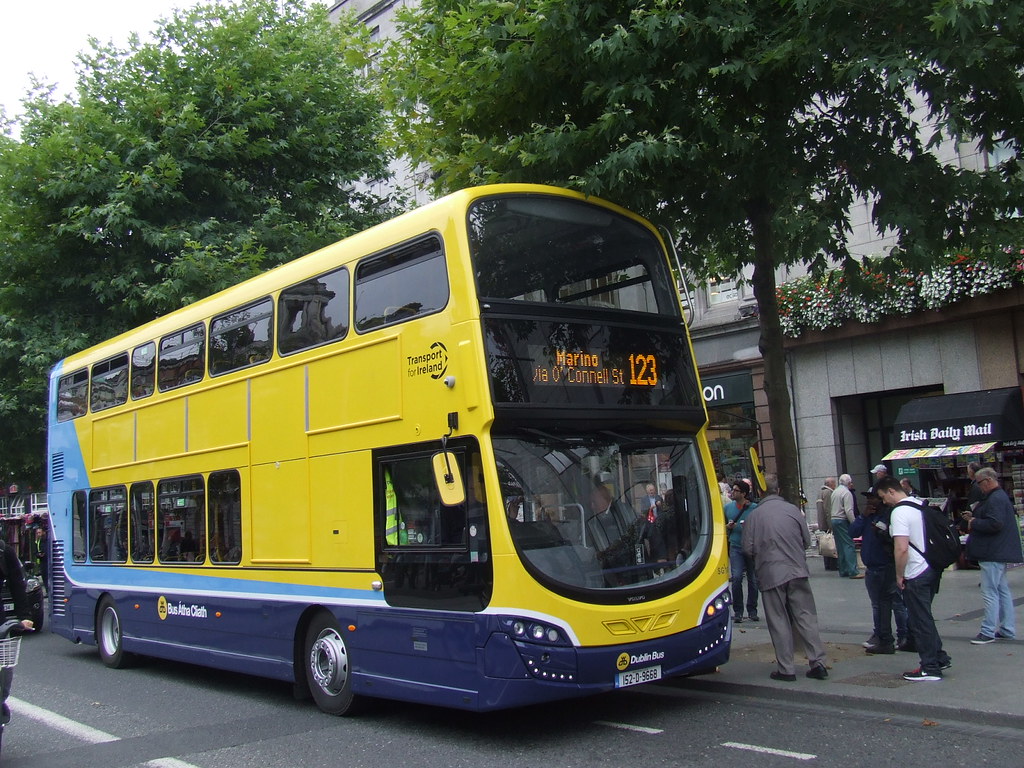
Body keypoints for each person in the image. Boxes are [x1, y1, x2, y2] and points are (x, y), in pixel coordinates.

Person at [741, 473, 828, 681]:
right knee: (806, 616)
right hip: (797, 570)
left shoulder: (754, 516)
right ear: (778, 490)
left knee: (778, 620)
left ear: (761, 492)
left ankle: (786, 668)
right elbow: (807, 541)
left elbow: (747, 548)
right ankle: (818, 662)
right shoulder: (793, 511)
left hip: (770, 572)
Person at [876, 476, 951, 681]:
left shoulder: (899, 512)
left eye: (883, 497)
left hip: (915, 571)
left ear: (892, 491)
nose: (884, 502)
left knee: (919, 620)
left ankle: (930, 667)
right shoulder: (919, 504)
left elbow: (901, 548)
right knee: (925, 615)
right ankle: (939, 656)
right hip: (931, 567)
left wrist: (899, 575)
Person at [965, 467, 1023, 644]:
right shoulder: (999, 497)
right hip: (998, 550)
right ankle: (1006, 628)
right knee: (1002, 590)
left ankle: (988, 631)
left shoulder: (995, 498)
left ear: (988, 480)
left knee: (990, 592)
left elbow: (995, 523)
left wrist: (974, 521)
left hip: (992, 551)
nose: (979, 487)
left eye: (979, 483)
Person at [851, 492, 911, 654]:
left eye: (873, 498)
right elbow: (853, 532)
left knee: (897, 603)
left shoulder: (890, 515)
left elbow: (894, 540)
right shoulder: (868, 517)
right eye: (868, 498)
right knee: (877, 604)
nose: (870, 501)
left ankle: (904, 635)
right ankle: (880, 634)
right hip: (872, 567)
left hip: (887, 565)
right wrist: (863, 517)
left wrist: (881, 529)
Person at [724, 480, 759, 623]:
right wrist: (728, 526)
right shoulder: (728, 508)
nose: (733, 492)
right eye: (733, 490)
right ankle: (738, 611)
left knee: (753, 579)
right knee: (737, 577)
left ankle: (752, 610)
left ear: (744, 493)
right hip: (736, 546)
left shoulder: (754, 508)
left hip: (751, 546)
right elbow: (723, 527)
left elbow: (759, 526)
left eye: (736, 490)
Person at [830, 474, 861, 578]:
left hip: (834, 519)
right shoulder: (847, 493)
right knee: (848, 544)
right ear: (849, 483)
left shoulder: (835, 492)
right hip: (842, 520)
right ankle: (853, 571)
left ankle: (843, 569)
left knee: (840, 545)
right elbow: (848, 510)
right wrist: (854, 522)